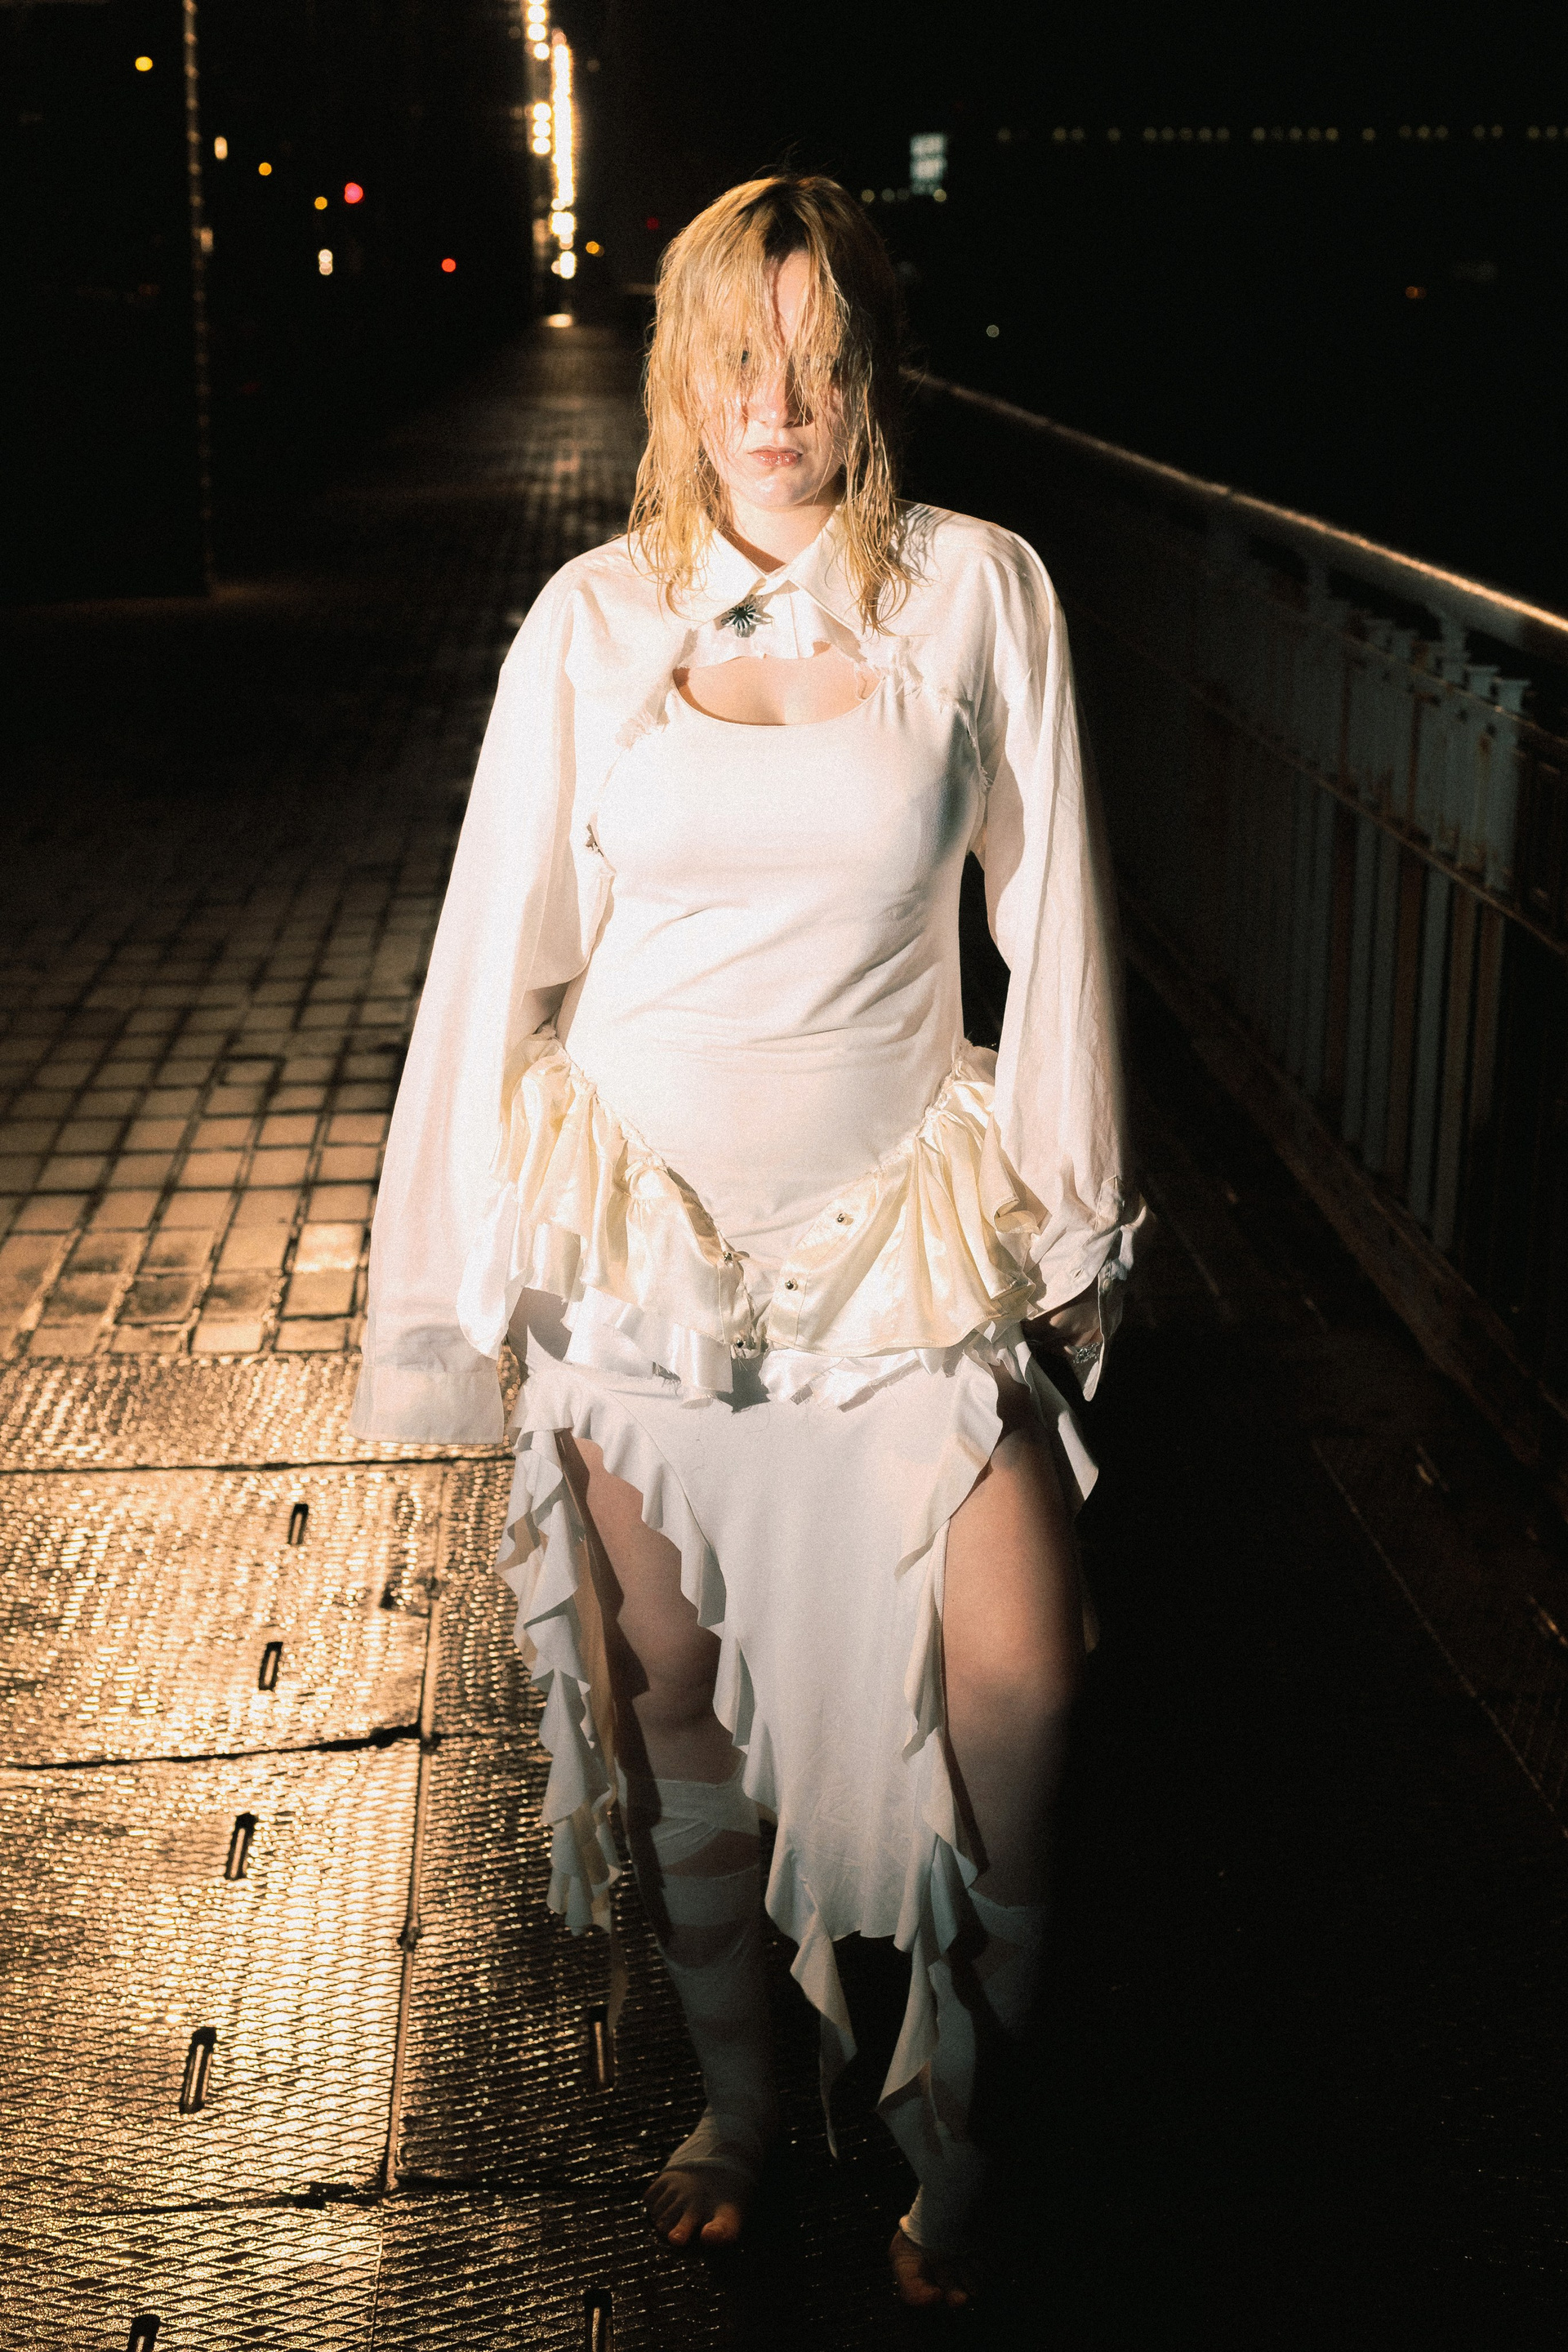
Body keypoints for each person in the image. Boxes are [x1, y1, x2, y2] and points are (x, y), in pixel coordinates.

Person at [353, 172, 1142, 2310]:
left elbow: (1054, 921)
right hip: (647, 1245)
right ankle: (736, 2097)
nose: (775, 404)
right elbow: (498, 950)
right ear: (677, 382)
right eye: (734, 360)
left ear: (873, 372)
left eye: (816, 358)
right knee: (679, 1701)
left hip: (901, 1244)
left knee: (1024, 1681)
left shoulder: (980, 591)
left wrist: (1075, 1223)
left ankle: (961, 2127)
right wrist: (453, 1271)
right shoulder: (591, 622)